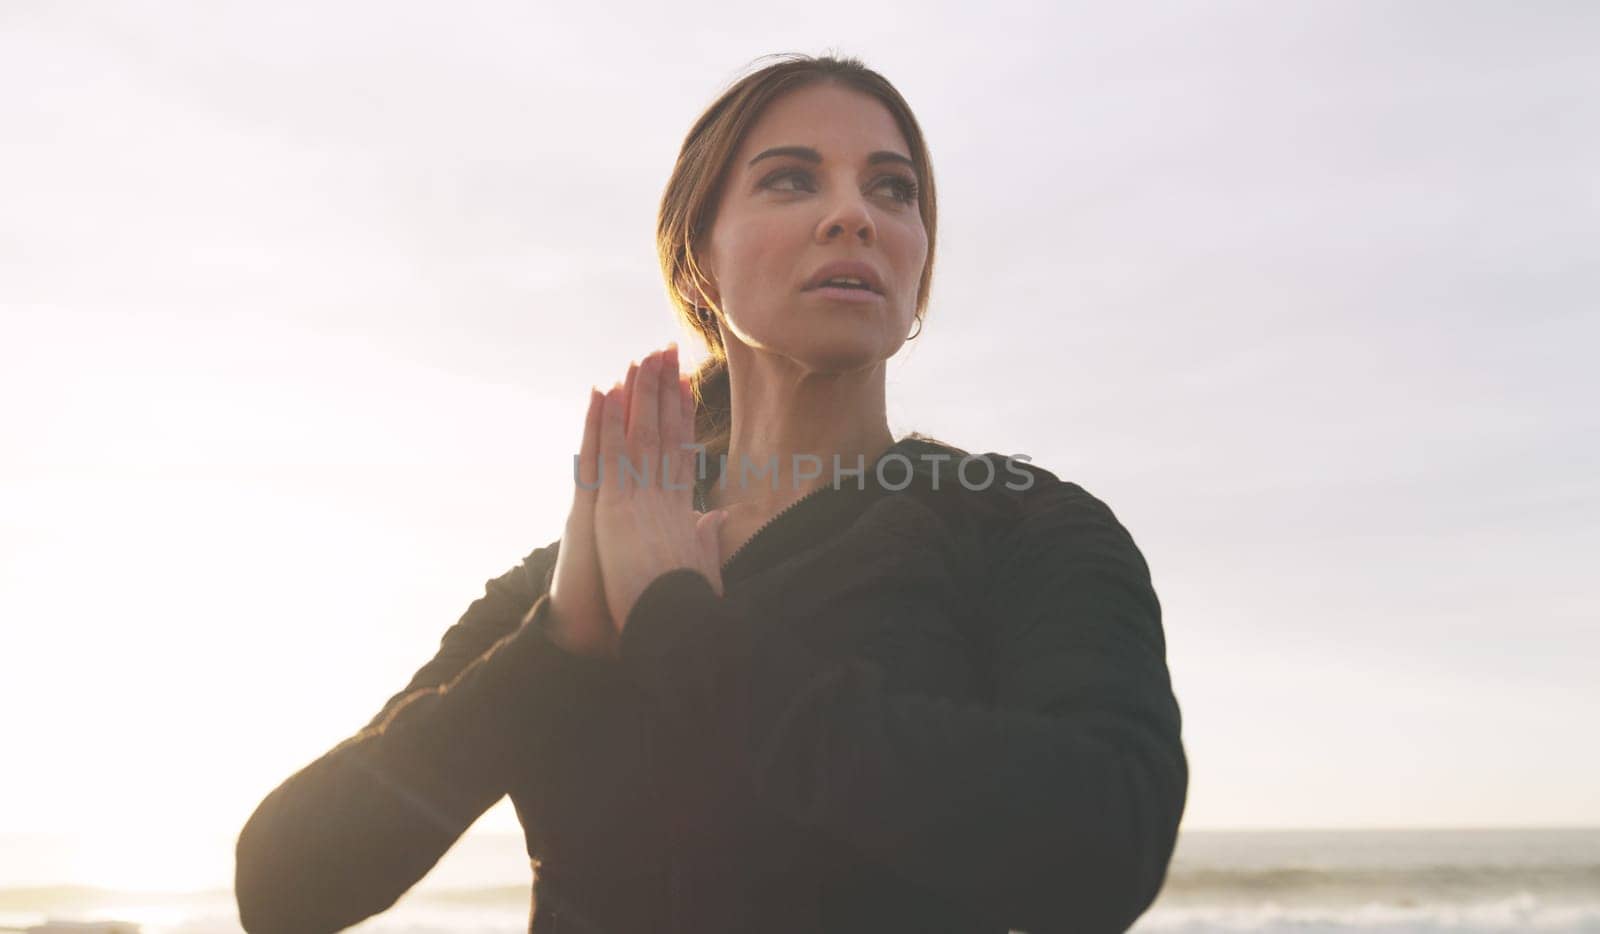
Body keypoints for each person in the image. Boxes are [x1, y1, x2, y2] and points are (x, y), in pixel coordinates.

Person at [233, 53, 1188, 934]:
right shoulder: (580, 572)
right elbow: (285, 885)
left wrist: (679, 625)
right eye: (791, 178)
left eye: (891, 190)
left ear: (918, 260)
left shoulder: (1021, 526)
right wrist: (557, 646)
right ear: (699, 256)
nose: (852, 214)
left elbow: (1106, 846)